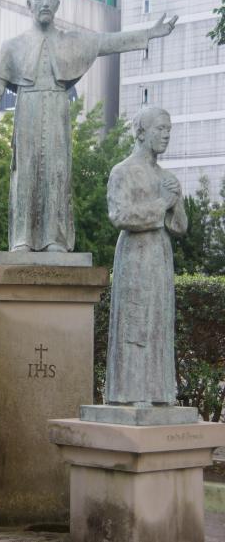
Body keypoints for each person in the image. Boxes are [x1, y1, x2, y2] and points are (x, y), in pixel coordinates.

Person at [0, 0, 178, 253]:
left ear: (58, 4)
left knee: (57, 173)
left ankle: (55, 238)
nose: (45, 3)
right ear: (29, 4)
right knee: (26, 173)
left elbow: (107, 42)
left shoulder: (73, 41)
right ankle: (23, 238)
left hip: (58, 111)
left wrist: (148, 33)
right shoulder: (12, 46)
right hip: (27, 111)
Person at [105, 106, 188, 406]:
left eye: (169, 129)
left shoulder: (167, 177)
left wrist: (176, 203)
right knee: (135, 322)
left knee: (159, 322)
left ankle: (159, 392)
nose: (166, 135)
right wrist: (161, 203)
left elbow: (180, 227)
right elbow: (120, 215)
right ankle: (131, 392)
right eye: (160, 129)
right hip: (135, 256)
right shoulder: (123, 171)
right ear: (141, 132)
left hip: (160, 255)